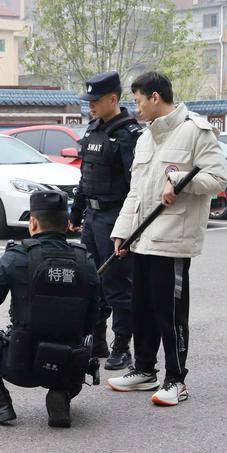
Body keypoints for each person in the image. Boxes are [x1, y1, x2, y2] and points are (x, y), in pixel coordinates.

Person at [108, 71, 227, 406]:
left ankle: (176, 380)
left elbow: (218, 178)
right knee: (142, 308)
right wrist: (122, 232)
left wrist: (179, 180)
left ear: (155, 97)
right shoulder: (146, 137)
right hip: (142, 237)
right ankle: (144, 370)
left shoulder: (195, 131)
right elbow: (135, 192)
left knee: (170, 313)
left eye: (138, 101)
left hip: (172, 239)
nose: (136, 108)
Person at [0, 190, 100, 428]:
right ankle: (62, 392)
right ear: (67, 224)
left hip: (20, 363)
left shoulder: (16, 258)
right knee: (82, 346)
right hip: (67, 363)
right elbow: (98, 313)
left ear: (33, 222)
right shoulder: (86, 261)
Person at [69, 71, 143, 370]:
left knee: (117, 284)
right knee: (91, 280)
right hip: (92, 217)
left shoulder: (128, 135)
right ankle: (96, 341)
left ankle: (122, 346)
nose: (90, 106)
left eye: (96, 101)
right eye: (88, 101)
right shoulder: (93, 130)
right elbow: (85, 177)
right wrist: (76, 212)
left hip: (115, 218)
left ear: (113, 99)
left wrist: (128, 227)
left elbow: (136, 185)